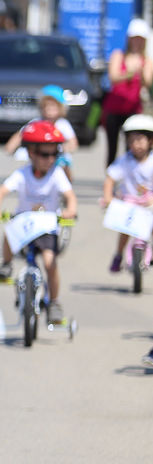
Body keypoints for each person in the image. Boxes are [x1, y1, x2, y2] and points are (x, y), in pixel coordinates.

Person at [0, 120, 77, 325]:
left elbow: (70, 195)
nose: (50, 159)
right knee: (9, 230)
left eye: (55, 154)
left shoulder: (57, 174)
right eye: (45, 154)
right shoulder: (22, 174)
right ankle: (6, 264)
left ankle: (54, 301)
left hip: (47, 228)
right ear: (31, 153)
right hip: (25, 225)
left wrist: (70, 210)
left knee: (50, 263)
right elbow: (1, 192)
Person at [102, 115, 153, 275]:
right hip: (129, 201)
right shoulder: (124, 160)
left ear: (150, 141)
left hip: (149, 203)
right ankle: (118, 255)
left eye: (140, 140)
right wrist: (108, 198)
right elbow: (110, 179)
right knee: (125, 228)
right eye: (131, 141)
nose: (135, 145)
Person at [102, 19, 153, 168]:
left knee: (131, 148)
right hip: (113, 108)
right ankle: (110, 177)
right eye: (134, 38)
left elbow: (147, 83)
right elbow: (113, 77)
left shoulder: (146, 60)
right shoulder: (119, 55)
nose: (137, 42)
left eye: (140, 39)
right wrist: (130, 72)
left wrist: (141, 72)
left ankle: (128, 177)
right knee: (112, 147)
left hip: (133, 109)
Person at [4, 85, 78, 177]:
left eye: (53, 106)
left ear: (60, 108)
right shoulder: (36, 122)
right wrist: (10, 147)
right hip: (40, 156)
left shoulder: (62, 124)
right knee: (28, 166)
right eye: (46, 106)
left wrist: (65, 148)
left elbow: (73, 142)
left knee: (64, 166)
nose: (49, 109)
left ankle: (66, 183)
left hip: (57, 157)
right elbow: (21, 134)